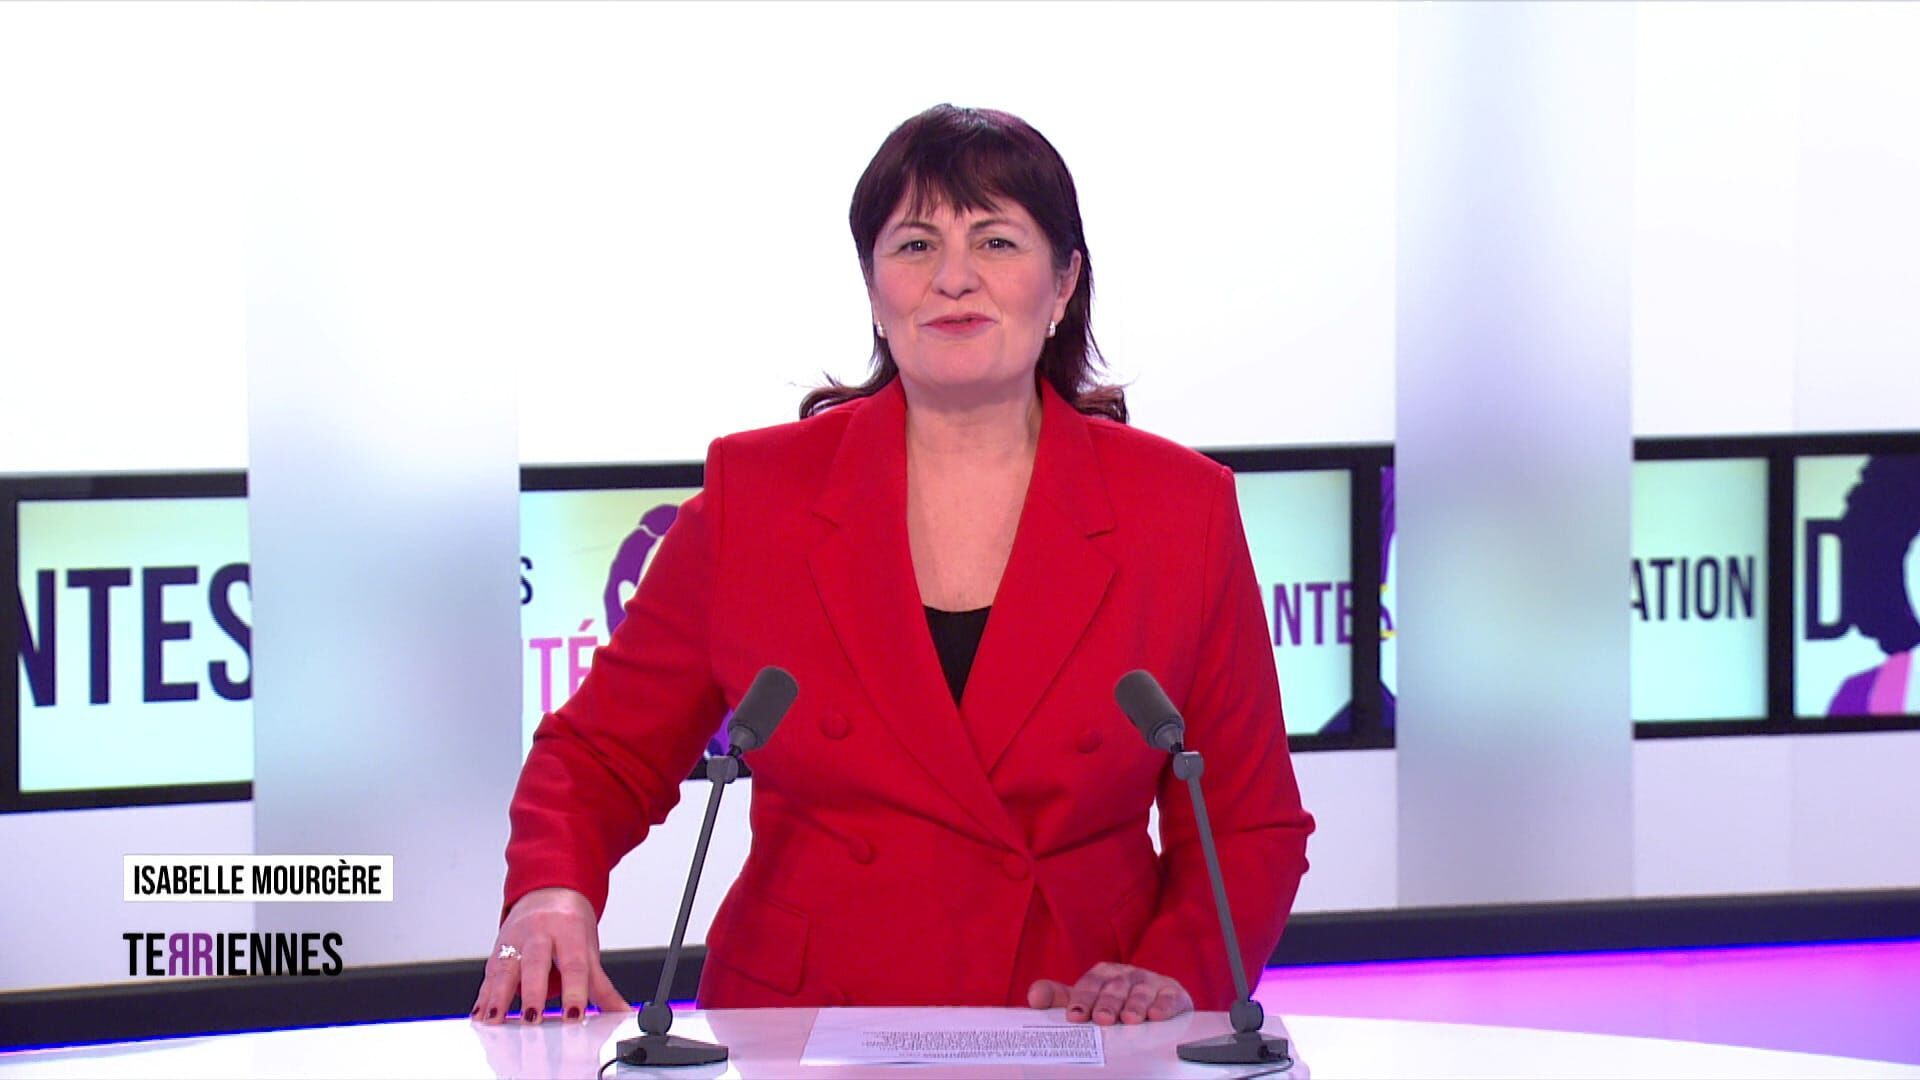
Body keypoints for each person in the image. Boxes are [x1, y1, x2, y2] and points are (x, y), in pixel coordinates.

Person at [473, 104, 1314, 1029]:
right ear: (874, 291)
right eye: (915, 246)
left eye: (996, 241)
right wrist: (548, 892)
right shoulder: (759, 497)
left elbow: (1248, 823)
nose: (953, 278)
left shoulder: (1179, 510)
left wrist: (1170, 975)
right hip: (802, 1031)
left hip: (1074, 1022)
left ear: (1064, 282)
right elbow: (600, 755)